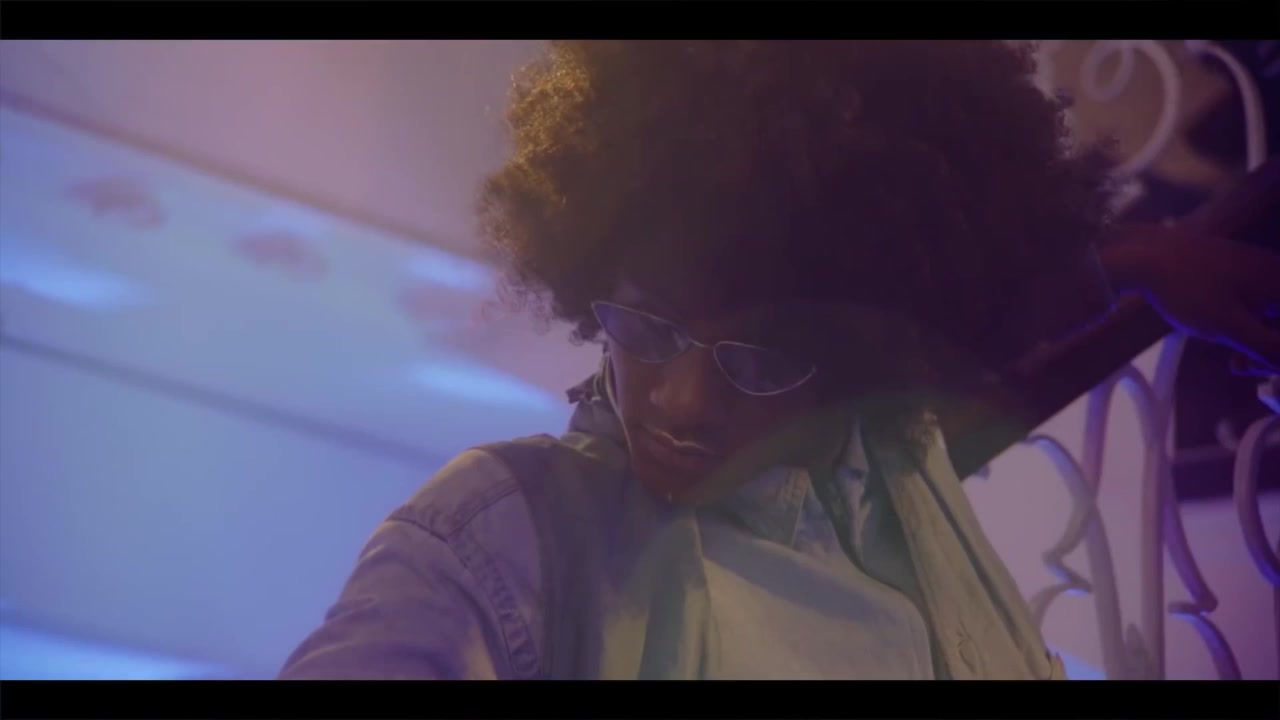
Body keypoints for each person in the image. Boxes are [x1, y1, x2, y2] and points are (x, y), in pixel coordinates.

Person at [279, 40, 1280, 680]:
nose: (681, 402)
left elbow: (958, 342)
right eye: (648, 328)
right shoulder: (502, 532)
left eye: (759, 361)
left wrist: (1130, 263)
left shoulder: (898, 469)